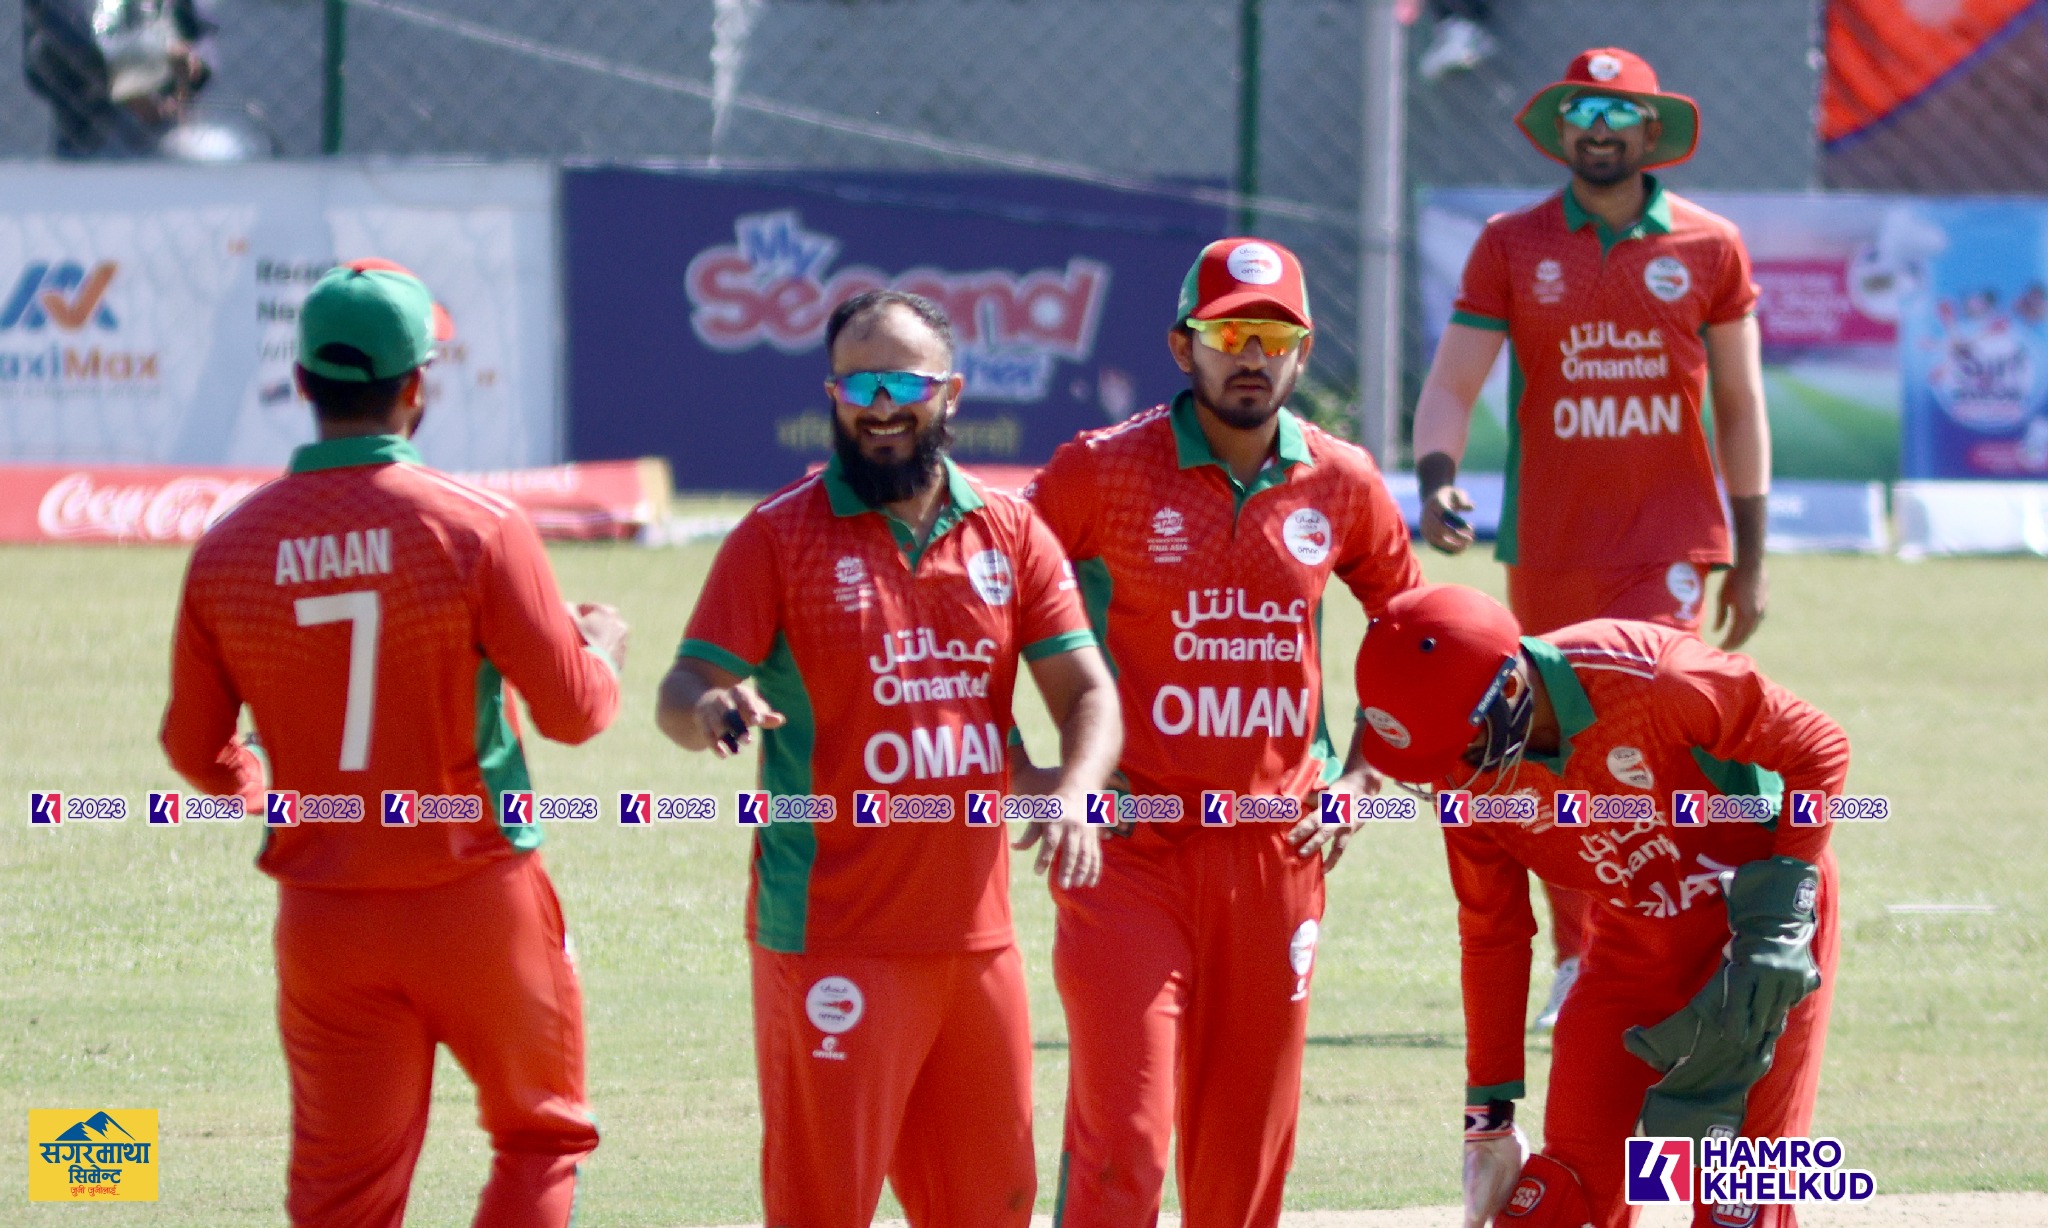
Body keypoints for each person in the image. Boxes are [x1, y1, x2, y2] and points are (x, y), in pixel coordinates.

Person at [160, 260, 625, 1228]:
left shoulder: (228, 548)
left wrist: (264, 788)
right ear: (418, 385)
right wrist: (601, 650)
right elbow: (575, 714)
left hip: (325, 919)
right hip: (478, 896)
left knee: (341, 1197)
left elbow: (196, 749)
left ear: (301, 382)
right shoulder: (479, 527)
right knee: (539, 1140)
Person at [655, 289, 1122, 1228]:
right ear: (831, 394)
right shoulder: (778, 534)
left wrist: (1074, 790)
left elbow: (1089, 695)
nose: (878, 406)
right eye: (856, 385)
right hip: (833, 937)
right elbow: (680, 688)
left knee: (992, 1206)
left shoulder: (1010, 532)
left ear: (949, 393)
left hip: (976, 943)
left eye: (902, 385)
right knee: (824, 1209)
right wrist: (710, 708)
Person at [1026, 237, 1422, 1227]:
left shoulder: (1341, 479)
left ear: (1303, 352)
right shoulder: (1100, 469)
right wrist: (1031, 768)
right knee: (1125, 1139)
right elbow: (989, 594)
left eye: (1275, 338)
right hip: (1129, 849)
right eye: (1230, 334)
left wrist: (1364, 776)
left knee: (1242, 1162)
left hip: (1278, 852)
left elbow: (1417, 636)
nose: (1252, 356)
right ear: (1182, 346)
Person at [1411, 46, 1773, 1029]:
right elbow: (1452, 383)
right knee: (1558, 749)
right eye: (1581, 112)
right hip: (1549, 547)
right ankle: (1581, 959)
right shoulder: (1510, 242)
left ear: (1651, 130)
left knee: (1658, 735)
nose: (1599, 130)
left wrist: (1750, 554)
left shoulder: (1710, 244)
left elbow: (1740, 405)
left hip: (1669, 543)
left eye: (1618, 114)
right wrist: (1437, 482)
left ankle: (1680, 948)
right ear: (1560, 129)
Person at [1352, 584, 1847, 1228]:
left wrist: (1777, 925)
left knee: (1738, 1199)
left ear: (1509, 691)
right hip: (1631, 943)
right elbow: (1493, 933)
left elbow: (1819, 747)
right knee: (1560, 1198)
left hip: (1755, 933)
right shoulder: (1465, 780)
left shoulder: (1655, 677)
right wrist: (1488, 1116)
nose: (1450, 773)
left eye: (1459, 746)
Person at [25, 0, 215, 158]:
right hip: (87, 114)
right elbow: (53, 44)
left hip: (161, 137)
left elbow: (199, 46)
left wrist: (183, 67)